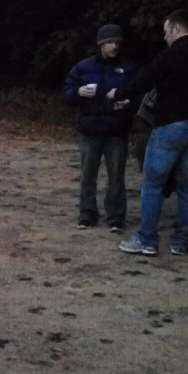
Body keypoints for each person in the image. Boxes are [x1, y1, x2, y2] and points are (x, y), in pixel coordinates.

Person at [108, 9, 188, 256]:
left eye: (166, 32)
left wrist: (120, 94)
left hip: (171, 125)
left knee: (153, 183)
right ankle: (181, 241)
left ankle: (146, 239)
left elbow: (144, 81)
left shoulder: (170, 55)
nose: (165, 37)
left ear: (176, 29)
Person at [63, 24, 139, 232]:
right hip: (90, 129)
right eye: (109, 42)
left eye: (116, 42)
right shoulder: (83, 67)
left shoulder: (129, 67)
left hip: (117, 129)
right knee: (88, 174)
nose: (114, 46)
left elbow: (140, 94)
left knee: (116, 175)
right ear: (100, 45)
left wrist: (129, 103)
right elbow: (67, 94)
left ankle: (115, 216)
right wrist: (78, 92)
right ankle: (87, 213)